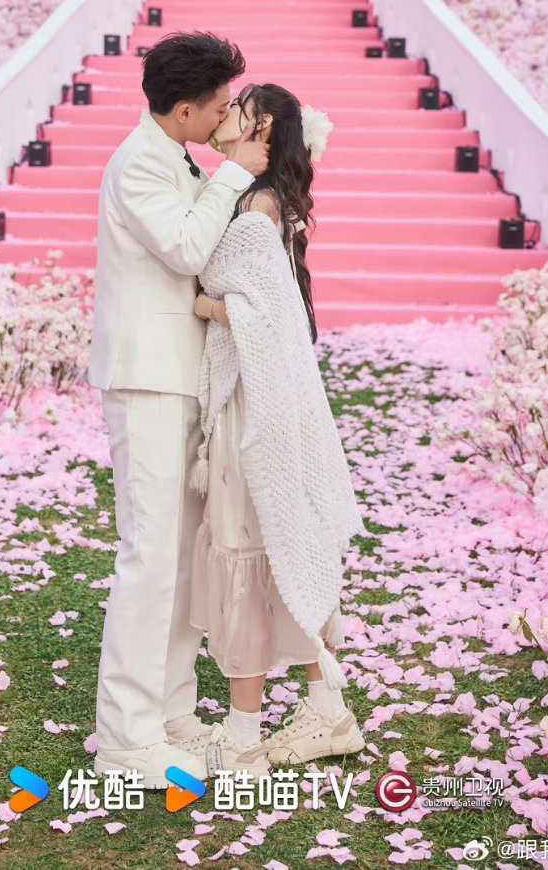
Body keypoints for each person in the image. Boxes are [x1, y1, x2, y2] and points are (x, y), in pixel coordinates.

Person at [88, 32, 270, 789]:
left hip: (182, 375)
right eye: (220, 106)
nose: (227, 116)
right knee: (149, 554)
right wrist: (234, 175)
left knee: (180, 554)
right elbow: (187, 250)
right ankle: (123, 733)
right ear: (185, 109)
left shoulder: (178, 159)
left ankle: (169, 712)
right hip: (146, 379)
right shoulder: (138, 164)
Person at [180, 83, 365, 778]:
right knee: (282, 545)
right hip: (261, 402)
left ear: (259, 130)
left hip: (252, 410)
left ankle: (243, 734)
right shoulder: (257, 201)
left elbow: (263, 319)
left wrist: (202, 303)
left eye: (239, 107)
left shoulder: (255, 212)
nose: (224, 113)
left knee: (249, 548)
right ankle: (324, 706)